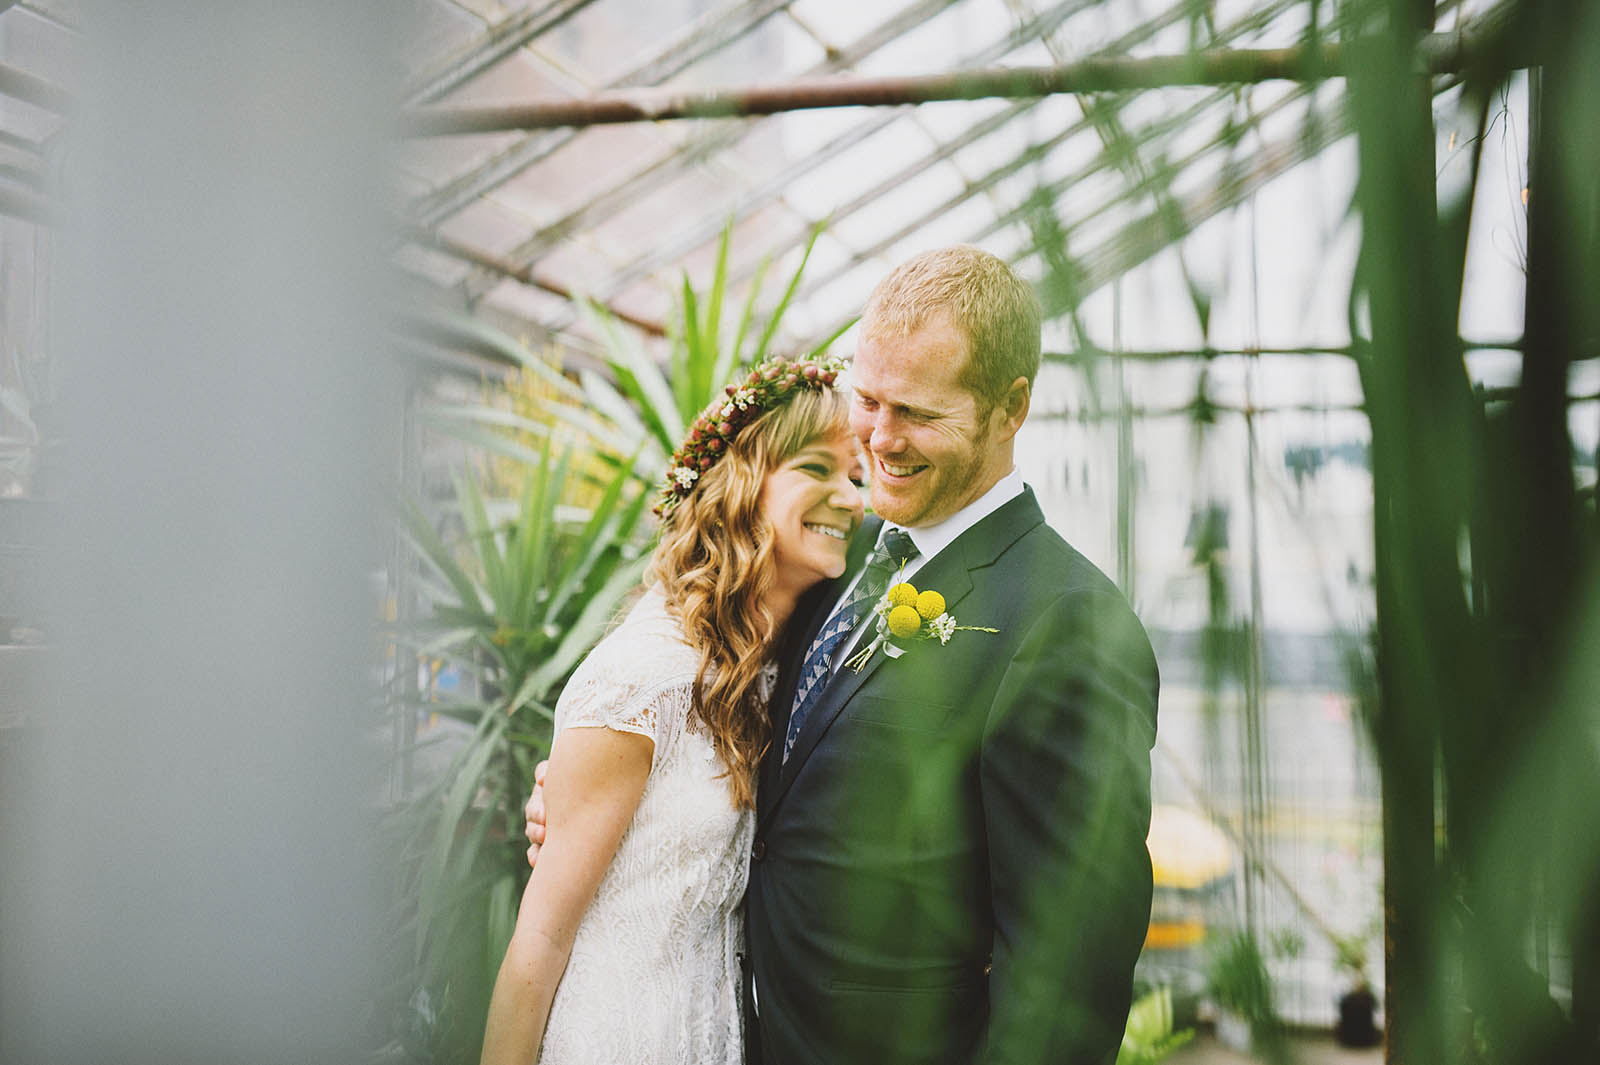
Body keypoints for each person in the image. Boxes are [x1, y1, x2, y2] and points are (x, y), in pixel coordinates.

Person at [529, 245, 1158, 1065]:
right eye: (867, 400)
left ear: (1011, 409)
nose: (881, 440)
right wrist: (577, 795)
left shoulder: (1067, 624)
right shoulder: (833, 555)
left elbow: (1069, 978)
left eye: (919, 414)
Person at [479, 355, 864, 1065]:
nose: (851, 497)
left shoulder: (769, 667)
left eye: (857, 476)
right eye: (817, 468)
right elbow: (539, 939)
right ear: (743, 482)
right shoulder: (645, 674)